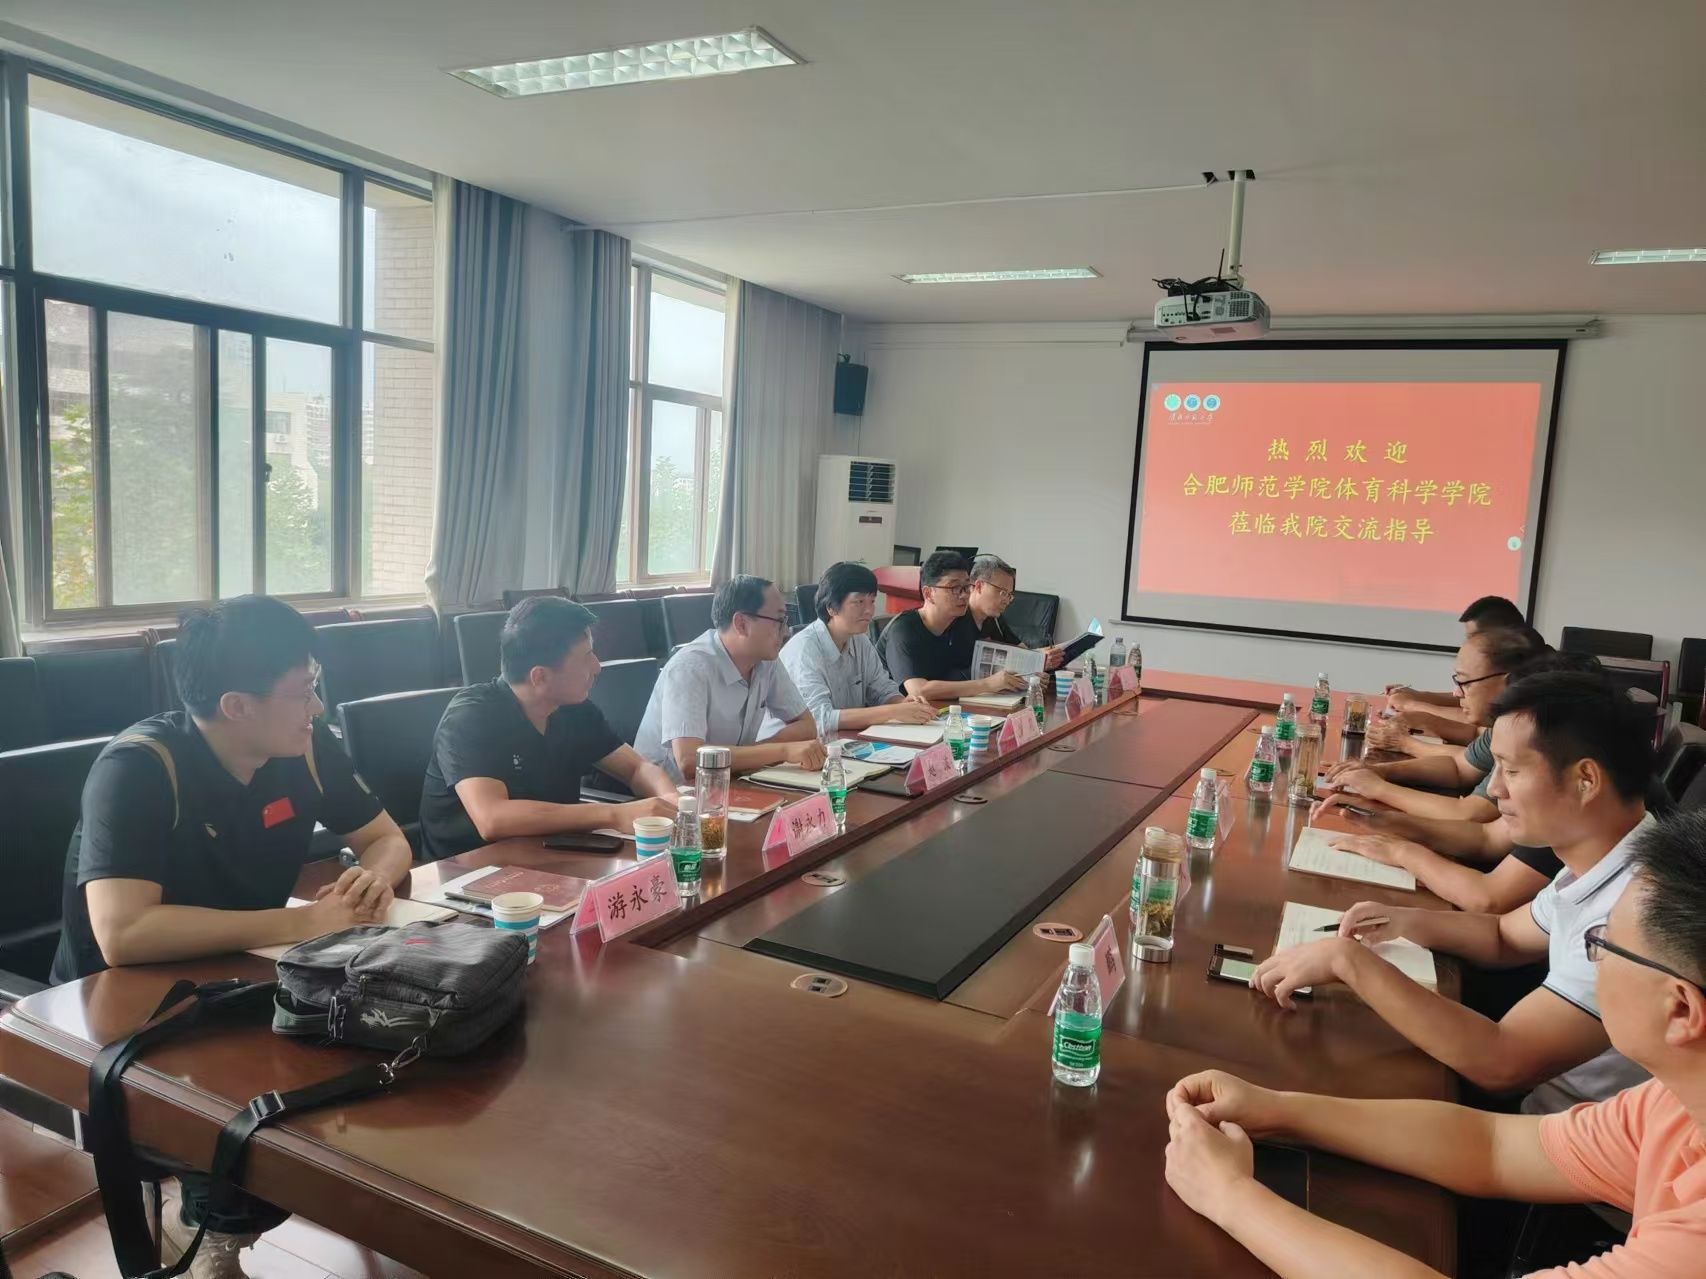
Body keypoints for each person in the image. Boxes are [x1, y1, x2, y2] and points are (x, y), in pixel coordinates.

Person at [1164, 809, 1706, 1279]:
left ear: (1680, 1009)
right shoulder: (1675, 1104)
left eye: (1601, 943)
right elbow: (1493, 1147)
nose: (1592, 960)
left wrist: (1228, 1194)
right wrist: (1278, 1109)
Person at [48, 594, 413, 1276]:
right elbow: (123, 932)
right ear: (237, 706)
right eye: (303, 691)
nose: (317, 707)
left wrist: (373, 879)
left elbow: (387, 838)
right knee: (266, 1095)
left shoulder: (304, 747)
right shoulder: (139, 769)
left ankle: (228, 1219)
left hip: (241, 970)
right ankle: (205, 1230)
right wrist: (303, 922)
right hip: (126, 1002)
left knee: (378, 1047)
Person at [1252, 673, 1655, 1110]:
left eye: (1512, 770)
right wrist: (1400, 920)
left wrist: (1347, 960)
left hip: (1551, 1126)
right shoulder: (1612, 853)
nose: (1495, 789)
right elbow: (1504, 936)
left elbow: (1503, 1062)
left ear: (1586, 780)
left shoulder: (1637, 910)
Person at [418, 597, 680, 861]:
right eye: (586, 657)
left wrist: (671, 799)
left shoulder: (575, 709)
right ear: (540, 676)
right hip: (468, 869)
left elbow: (636, 768)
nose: (597, 667)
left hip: (551, 855)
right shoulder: (471, 716)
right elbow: (492, 818)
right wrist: (614, 815)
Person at [1318, 626, 1547, 825]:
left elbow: (1470, 814)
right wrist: (1379, 771)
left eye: (1465, 682)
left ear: (1506, 682)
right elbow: (1458, 768)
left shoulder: (1530, 731)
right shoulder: (1502, 724)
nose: (1456, 693)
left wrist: (1380, 789)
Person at [635, 575, 824, 784]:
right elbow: (689, 760)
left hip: (731, 782)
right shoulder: (690, 667)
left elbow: (806, 726)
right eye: (779, 621)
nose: (786, 631)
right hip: (675, 792)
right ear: (741, 624)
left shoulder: (766, 660)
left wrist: (754, 754)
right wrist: (781, 751)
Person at [764, 561, 938, 736]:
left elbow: (882, 690)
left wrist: (904, 704)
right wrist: (893, 712)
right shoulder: (804, 650)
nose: (869, 610)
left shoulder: (860, 640)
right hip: (797, 746)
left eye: (872, 601)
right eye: (859, 602)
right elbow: (820, 719)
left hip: (847, 741)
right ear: (831, 607)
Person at [877, 551, 1026, 701]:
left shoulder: (957, 622)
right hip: (896, 711)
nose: (964, 595)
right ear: (928, 593)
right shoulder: (903, 629)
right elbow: (919, 690)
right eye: (954, 588)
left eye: (966, 587)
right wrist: (987, 684)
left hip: (942, 707)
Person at [1385, 595, 1530, 729]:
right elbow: (1469, 699)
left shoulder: (1526, 668)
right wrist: (1419, 696)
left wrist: (1411, 705)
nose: (1468, 645)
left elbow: (1478, 720)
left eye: (1473, 638)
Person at [966, 554, 1064, 669]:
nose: (1006, 601)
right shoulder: (957, 619)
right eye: (1002, 592)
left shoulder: (995, 618)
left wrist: (1043, 655)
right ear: (979, 586)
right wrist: (1034, 661)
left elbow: (1021, 650)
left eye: (1009, 595)